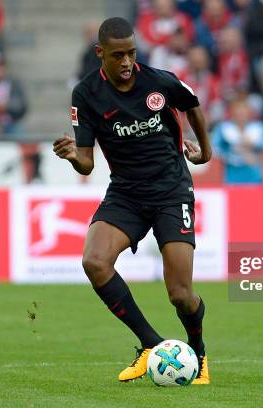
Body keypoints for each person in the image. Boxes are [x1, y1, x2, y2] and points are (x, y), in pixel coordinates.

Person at [53, 17, 212, 384]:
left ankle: (198, 353)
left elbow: (193, 103)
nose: (126, 62)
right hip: (126, 193)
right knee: (94, 261)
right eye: (117, 55)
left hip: (172, 192)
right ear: (100, 54)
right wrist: (71, 155)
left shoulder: (158, 81)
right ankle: (151, 345)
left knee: (180, 294)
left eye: (131, 53)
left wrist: (204, 152)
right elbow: (87, 161)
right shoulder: (86, 94)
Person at [212, 97, 263, 183]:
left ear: (249, 111)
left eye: (243, 109)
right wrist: (230, 155)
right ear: (232, 112)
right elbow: (214, 148)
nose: (241, 113)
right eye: (238, 109)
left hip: (255, 176)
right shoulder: (224, 128)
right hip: (232, 176)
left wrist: (255, 143)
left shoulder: (259, 127)